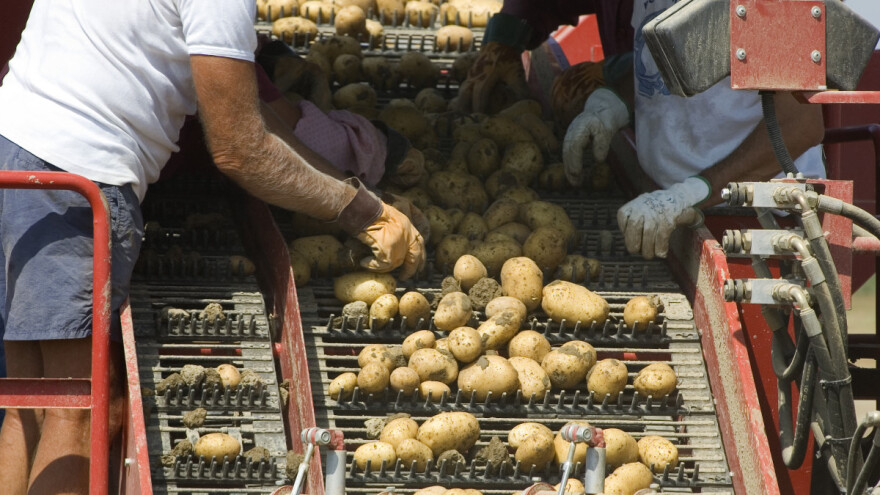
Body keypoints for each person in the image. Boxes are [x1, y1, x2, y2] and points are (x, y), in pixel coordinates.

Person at [0, 1, 425, 494]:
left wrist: (355, 196)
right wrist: (363, 216)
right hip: (74, 180)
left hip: (13, 157)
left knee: (28, 402)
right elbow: (240, 148)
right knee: (80, 410)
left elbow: (253, 113)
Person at [455, 0, 825, 259]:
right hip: (664, 211)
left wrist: (693, 193)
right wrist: (612, 104)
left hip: (752, 223)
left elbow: (800, 125)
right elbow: (657, 68)